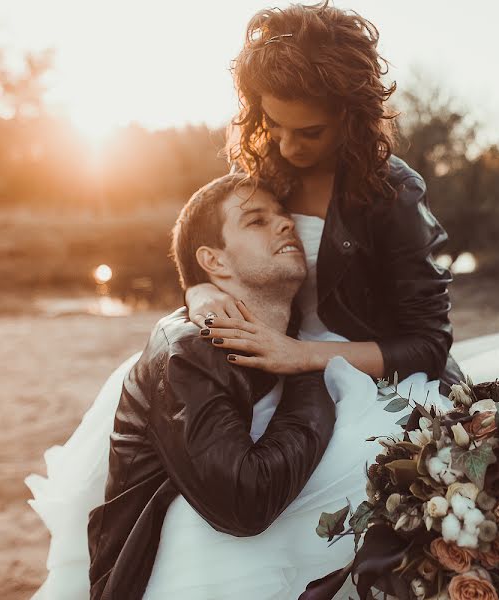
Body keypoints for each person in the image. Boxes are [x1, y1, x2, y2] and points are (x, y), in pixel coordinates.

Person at [26, 174, 444, 599]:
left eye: (283, 216)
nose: (285, 225)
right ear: (215, 261)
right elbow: (246, 501)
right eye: (256, 221)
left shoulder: (287, 338)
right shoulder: (188, 353)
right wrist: (304, 370)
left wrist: (297, 354)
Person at [184, 1, 464, 390]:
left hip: (372, 385)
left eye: (310, 132)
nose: (286, 147)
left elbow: (429, 346)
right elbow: (207, 250)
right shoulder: (259, 174)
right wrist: (200, 292)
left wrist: (299, 355)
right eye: (274, 124)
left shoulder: (395, 192)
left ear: (351, 118)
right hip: (273, 372)